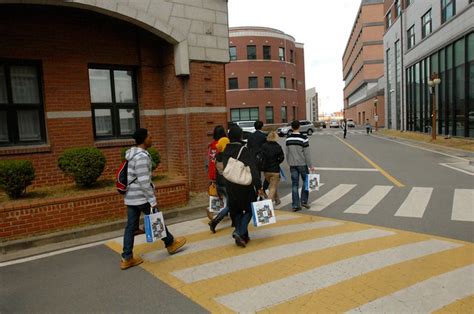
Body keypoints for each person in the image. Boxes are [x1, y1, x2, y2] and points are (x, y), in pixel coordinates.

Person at [121, 128, 186, 270]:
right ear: (144, 139)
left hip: (131, 197)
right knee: (156, 220)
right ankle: (170, 243)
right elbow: (144, 181)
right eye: (149, 137)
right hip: (142, 197)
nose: (152, 139)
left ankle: (127, 258)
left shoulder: (131, 155)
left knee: (130, 227)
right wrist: (152, 200)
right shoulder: (142, 157)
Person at [222, 125, 264, 247]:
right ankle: (239, 232)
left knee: (237, 210)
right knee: (250, 209)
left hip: (230, 184)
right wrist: (259, 186)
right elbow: (253, 170)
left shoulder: (226, 150)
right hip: (244, 186)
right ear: (240, 136)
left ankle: (243, 236)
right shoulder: (243, 150)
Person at [286, 120, 313, 212]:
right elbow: (307, 153)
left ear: (292, 127)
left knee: (294, 184)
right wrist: (310, 165)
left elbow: (287, 152)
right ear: (299, 127)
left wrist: (289, 162)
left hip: (292, 164)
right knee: (306, 181)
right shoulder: (304, 138)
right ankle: (304, 201)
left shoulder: (288, 138)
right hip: (302, 163)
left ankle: (295, 205)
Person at [208, 125, 231, 233]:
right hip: (224, 176)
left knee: (219, 197)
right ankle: (217, 218)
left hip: (214, 174)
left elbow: (209, 162)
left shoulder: (211, 146)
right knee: (229, 200)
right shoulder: (224, 145)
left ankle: (218, 213)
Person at [261, 131, 284, 206]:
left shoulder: (264, 146)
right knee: (273, 187)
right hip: (275, 170)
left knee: (272, 186)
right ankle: (267, 206)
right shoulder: (278, 147)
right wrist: (277, 162)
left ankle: (277, 199)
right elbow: (282, 158)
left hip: (266, 170)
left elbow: (261, 156)